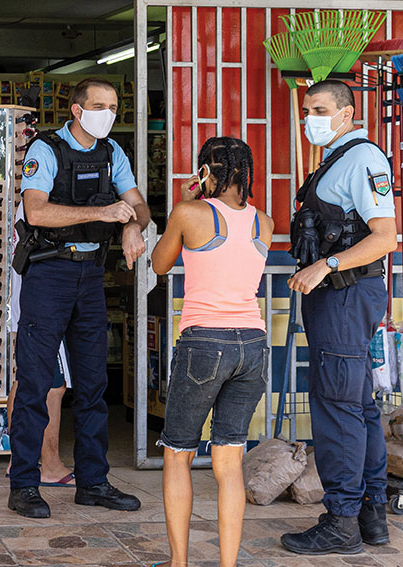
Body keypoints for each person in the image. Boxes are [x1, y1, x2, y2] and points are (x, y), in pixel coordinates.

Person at [8, 77, 150, 518]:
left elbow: (139, 206)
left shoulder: (113, 153)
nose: (107, 112)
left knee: (93, 385)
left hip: (90, 275)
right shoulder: (46, 150)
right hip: (49, 274)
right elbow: (36, 210)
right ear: (76, 109)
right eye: (98, 105)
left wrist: (131, 225)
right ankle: (25, 485)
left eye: (113, 105)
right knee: (35, 383)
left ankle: (94, 482)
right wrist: (102, 212)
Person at [280, 80, 397, 555]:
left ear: (347, 113)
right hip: (338, 300)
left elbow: (385, 237)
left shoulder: (364, 159)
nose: (311, 117)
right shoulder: (335, 159)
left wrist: (324, 265)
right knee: (359, 407)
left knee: (337, 408)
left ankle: (341, 522)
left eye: (321, 109)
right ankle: (370, 517)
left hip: (346, 296)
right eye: (308, 109)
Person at [151, 137, 273, 567]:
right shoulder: (265, 222)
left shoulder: (190, 213)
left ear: (206, 171)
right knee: (229, 459)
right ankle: (228, 565)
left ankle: (179, 563)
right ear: (245, 172)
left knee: (178, 453)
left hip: (205, 342)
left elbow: (159, 263)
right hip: (253, 345)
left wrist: (182, 204)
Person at [5, 203, 75, 487]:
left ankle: (18, 458)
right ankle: (50, 464)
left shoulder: (31, 201)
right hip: (42, 305)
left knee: (27, 381)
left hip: (29, 302)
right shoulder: (44, 202)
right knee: (52, 386)